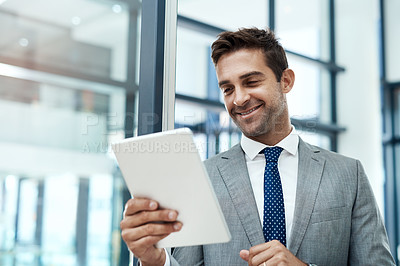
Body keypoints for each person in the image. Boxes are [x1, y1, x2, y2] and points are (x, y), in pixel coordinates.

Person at [120, 27, 395, 266]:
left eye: (251, 82)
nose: (239, 99)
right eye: (227, 89)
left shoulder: (348, 174)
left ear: (285, 81)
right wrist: (155, 261)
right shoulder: (204, 177)